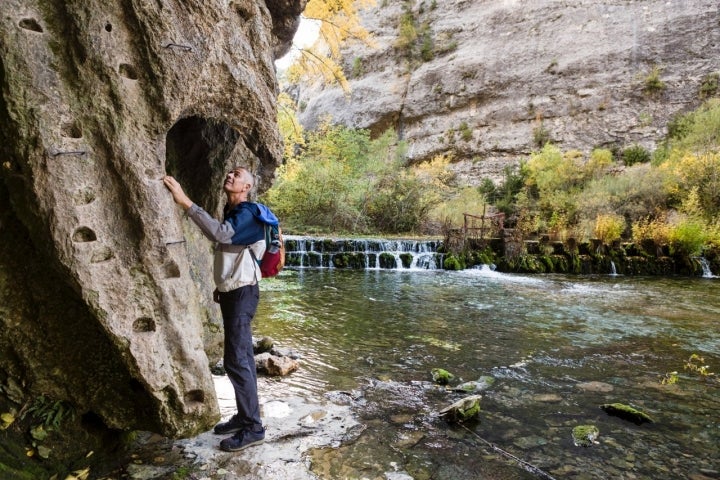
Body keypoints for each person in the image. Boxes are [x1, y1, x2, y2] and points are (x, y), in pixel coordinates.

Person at [163, 166, 267, 452]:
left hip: (243, 294)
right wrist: (221, 287)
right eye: (229, 173)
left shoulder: (248, 212)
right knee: (242, 356)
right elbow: (231, 252)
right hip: (235, 292)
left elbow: (220, 235)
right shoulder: (234, 211)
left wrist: (185, 202)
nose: (229, 176)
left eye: (237, 175)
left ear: (246, 187)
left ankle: (253, 428)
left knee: (236, 360)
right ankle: (246, 417)